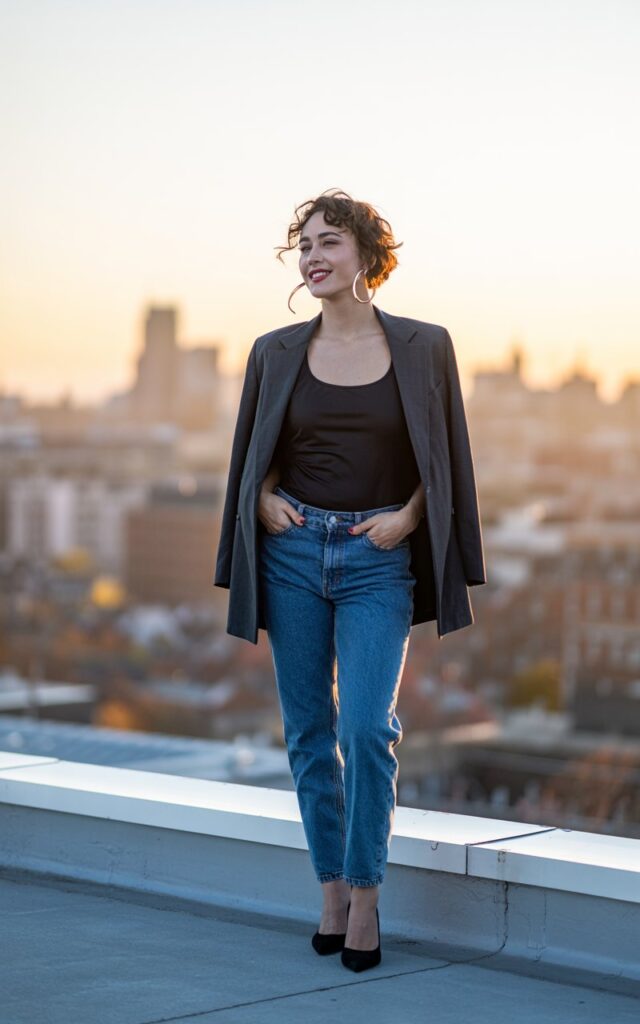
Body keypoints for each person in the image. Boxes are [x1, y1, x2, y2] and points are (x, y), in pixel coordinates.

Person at [214, 188, 486, 972]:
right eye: (303, 245)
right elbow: (251, 457)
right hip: (292, 553)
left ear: (368, 255)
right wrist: (261, 500)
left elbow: (449, 457)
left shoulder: (425, 345)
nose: (313, 256)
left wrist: (408, 518)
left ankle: (366, 897)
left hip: (377, 559)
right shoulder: (273, 351)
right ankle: (330, 892)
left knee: (366, 730)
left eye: (329, 241)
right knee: (307, 734)